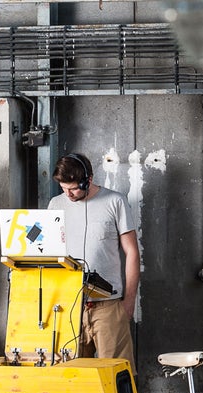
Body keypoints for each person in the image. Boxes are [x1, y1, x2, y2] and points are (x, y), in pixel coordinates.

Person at [48, 152, 140, 374]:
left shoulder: (114, 201)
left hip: (108, 306)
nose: (67, 194)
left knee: (118, 377)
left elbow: (132, 252)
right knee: (73, 377)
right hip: (69, 306)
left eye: (72, 188)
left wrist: (128, 303)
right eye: (63, 188)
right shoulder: (55, 204)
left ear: (87, 179)